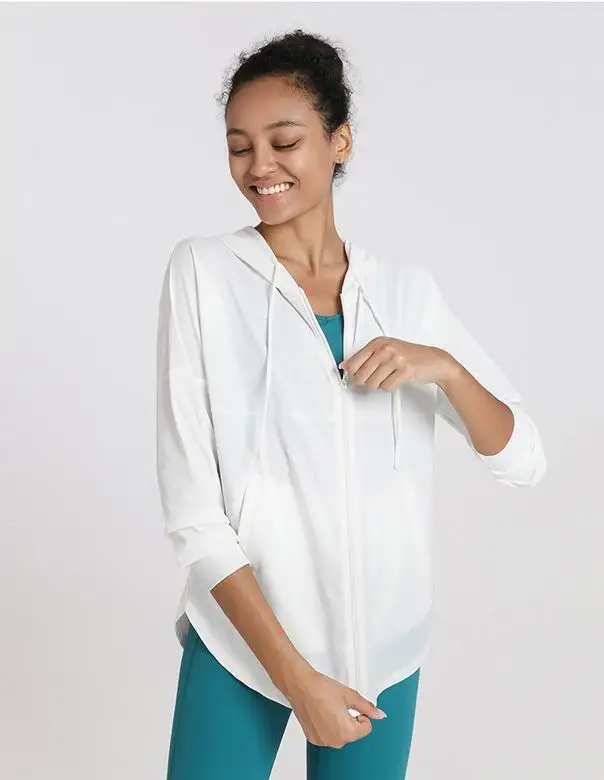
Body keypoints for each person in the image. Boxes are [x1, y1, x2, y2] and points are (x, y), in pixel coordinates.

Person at [155, 29, 546, 780]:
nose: (259, 166)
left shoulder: (406, 292)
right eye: (239, 147)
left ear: (340, 141)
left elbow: (523, 458)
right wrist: (299, 681)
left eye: (284, 141)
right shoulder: (204, 274)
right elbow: (195, 518)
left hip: (381, 653)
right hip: (245, 645)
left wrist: (444, 368)